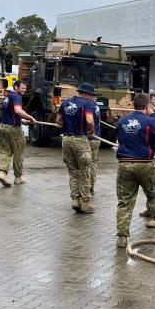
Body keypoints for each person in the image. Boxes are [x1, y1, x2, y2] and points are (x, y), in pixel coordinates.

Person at [115, 93, 155, 248]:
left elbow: (119, 137)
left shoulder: (122, 121)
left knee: (125, 202)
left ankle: (122, 237)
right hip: (145, 164)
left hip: (124, 164)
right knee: (153, 194)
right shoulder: (150, 121)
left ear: (133, 104)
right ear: (147, 106)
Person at [56, 83, 97, 213]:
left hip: (66, 140)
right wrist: (91, 131)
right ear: (85, 94)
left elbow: (58, 120)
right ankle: (85, 203)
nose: (92, 98)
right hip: (80, 141)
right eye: (91, 95)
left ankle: (75, 200)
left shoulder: (65, 102)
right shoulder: (87, 104)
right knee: (84, 172)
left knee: (73, 172)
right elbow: (89, 121)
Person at [0, 80, 37, 187]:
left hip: (2, 127)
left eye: (25, 88)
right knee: (18, 153)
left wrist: (21, 120)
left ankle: (2, 173)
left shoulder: (8, 96)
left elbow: (11, 113)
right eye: (22, 88)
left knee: (5, 152)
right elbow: (18, 110)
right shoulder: (17, 96)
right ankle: (18, 177)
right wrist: (30, 117)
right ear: (16, 87)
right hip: (13, 129)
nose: (24, 90)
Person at [139, 92, 155, 222]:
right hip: (149, 153)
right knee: (149, 183)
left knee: (154, 183)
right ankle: (150, 209)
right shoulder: (145, 118)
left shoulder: (154, 117)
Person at [88, 99, 102, 196]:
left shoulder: (87, 105)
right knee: (93, 164)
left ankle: (86, 188)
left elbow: (89, 121)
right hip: (97, 138)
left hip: (88, 137)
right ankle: (91, 186)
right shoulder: (96, 105)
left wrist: (91, 132)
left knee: (84, 165)